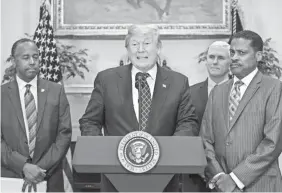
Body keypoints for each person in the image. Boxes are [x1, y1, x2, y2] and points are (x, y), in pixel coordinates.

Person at [79, 24, 199, 192]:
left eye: (147, 43)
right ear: (127, 49)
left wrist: (169, 151)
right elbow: (90, 121)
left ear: (158, 47)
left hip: (163, 178)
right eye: (134, 44)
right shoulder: (107, 79)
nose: (140, 50)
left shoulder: (178, 82)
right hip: (115, 177)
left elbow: (188, 123)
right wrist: (102, 150)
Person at [200, 30, 282, 192]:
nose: (235, 57)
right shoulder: (218, 92)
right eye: (232, 52)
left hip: (260, 185)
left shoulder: (274, 88)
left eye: (242, 53)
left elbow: (273, 142)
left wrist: (235, 178)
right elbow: (205, 140)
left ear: (258, 56)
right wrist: (219, 176)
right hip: (221, 186)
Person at [1, 38, 72, 192]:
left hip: (49, 176)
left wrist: (39, 169)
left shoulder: (56, 91)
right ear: (14, 61)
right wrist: (23, 166)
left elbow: (64, 134)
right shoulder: (2, 95)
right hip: (11, 177)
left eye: (36, 56)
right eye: (26, 57)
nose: (32, 62)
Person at [182, 41, 231, 192]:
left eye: (221, 58)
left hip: (231, 175)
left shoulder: (241, 93)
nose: (214, 62)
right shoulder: (188, 93)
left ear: (231, 62)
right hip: (195, 176)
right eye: (211, 57)